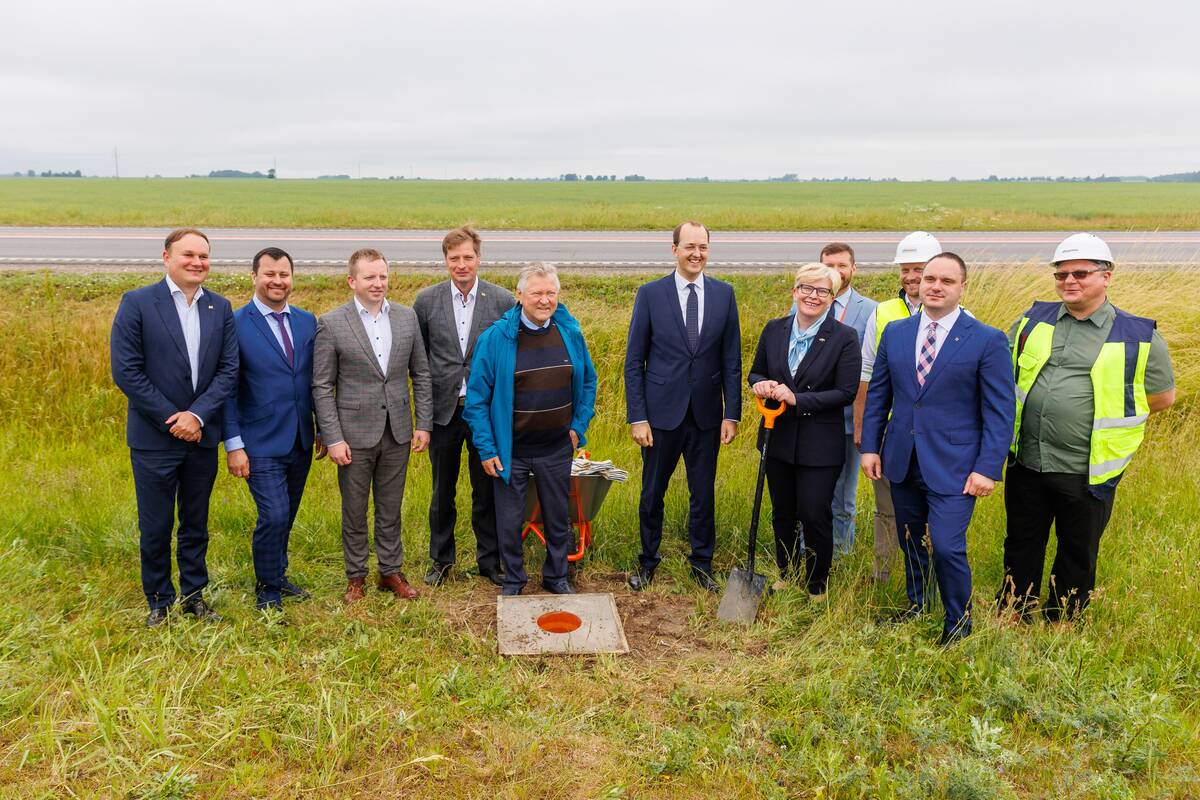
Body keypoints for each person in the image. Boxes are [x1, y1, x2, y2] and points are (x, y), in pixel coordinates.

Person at [998, 233, 1175, 621]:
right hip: (1028, 460)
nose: (1069, 281)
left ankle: (1062, 621)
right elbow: (1002, 373)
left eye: (1080, 273)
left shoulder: (1138, 335)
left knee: (1077, 550)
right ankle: (1013, 611)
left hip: (1087, 468)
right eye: (1061, 274)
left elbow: (1162, 397)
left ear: (1106, 276)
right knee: (1021, 542)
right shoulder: (1032, 320)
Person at [860, 252, 1014, 645]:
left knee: (945, 546)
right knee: (910, 539)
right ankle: (919, 603)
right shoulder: (896, 333)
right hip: (902, 459)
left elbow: (1000, 411)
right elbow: (879, 394)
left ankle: (958, 623)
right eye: (930, 278)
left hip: (956, 466)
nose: (935, 286)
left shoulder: (987, 339)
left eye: (947, 281)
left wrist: (988, 468)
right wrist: (870, 447)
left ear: (962, 287)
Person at [110, 228, 239, 626]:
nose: (197, 262)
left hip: (201, 436)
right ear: (167, 257)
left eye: (204, 256)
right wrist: (174, 418)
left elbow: (228, 370)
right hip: (154, 438)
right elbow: (126, 371)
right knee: (156, 525)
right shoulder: (137, 303)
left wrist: (197, 416)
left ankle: (194, 597)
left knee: (195, 524)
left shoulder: (220, 307)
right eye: (189, 254)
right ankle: (159, 601)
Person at [463, 263, 597, 597]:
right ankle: (514, 579)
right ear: (519, 295)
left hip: (556, 447)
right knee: (509, 521)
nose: (544, 300)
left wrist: (578, 427)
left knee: (557, 517)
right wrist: (487, 448)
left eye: (551, 293)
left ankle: (556, 576)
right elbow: (476, 401)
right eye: (537, 293)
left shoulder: (570, 333)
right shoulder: (496, 339)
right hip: (513, 450)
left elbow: (588, 382)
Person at [624, 221, 742, 592]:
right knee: (652, 493)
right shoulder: (651, 294)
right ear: (674, 249)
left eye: (702, 247)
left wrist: (732, 413)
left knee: (703, 494)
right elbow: (634, 361)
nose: (696, 254)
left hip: (706, 415)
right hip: (660, 415)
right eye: (689, 246)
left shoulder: (724, 294)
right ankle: (647, 561)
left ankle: (702, 564)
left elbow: (731, 360)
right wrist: (638, 417)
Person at [312, 248, 433, 603]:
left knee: (390, 507)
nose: (378, 283)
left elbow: (421, 374)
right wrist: (333, 437)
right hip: (353, 434)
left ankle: (390, 571)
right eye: (369, 277)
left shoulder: (407, 318)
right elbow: (322, 385)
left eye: (382, 276)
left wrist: (423, 423)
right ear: (352, 281)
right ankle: (356, 576)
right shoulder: (332, 323)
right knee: (354, 509)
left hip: (397, 429)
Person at [748, 264, 861, 597]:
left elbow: (846, 392)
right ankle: (787, 573)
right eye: (807, 288)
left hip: (819, 443)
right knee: (782, 512)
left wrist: (797, 398)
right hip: (777, 437)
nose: (813, 296)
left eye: (822, 291)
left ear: (832, 298)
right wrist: (761, 384)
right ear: (795, 292)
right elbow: (755, 372)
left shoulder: (844, 337)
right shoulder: (774, 329)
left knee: (814, 513)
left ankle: (816, 584)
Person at [414, 227, 515, 588]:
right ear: (445, 260)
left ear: (478, 258)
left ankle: (489, 559)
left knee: (486, 489)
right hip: (443, 411)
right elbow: (420, 362)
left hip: (484, 413)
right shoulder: (426, 302)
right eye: (454, 258)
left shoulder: (502, 301)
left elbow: (510, 356)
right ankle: (441, 560)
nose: (461, 264)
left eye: (467, 257)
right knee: (442, 491)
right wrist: (423, 419)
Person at [223, 247, 322, 613]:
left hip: (300, 438)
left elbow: (315, 380)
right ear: (254, 277)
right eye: (269, 274)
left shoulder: (307, 322)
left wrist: (322, 428)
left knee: (288, 514)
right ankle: (266, 588)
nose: (277, 281)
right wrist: (233, 444)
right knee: (274, 515)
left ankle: (278, 574)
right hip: (258, 441)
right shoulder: (235, 323)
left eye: (283, 274)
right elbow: (226, 389)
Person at [855, 231, 941, 584]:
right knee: (888, 511)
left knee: (934, 513)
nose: (911, 277)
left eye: (919, 269)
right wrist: (864, 431)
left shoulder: (958, 316)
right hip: (893, 434)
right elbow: (867, 374)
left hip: (937, 437)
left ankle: (929, 580)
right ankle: (884, 578)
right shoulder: (884, 313)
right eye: (906, 269)